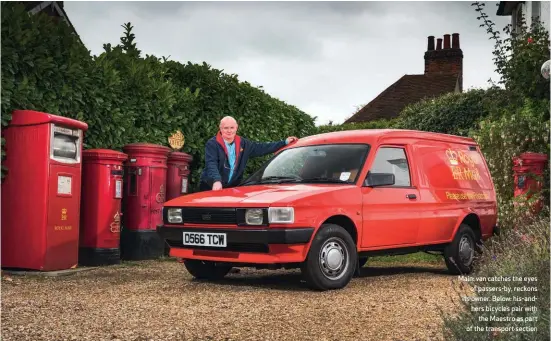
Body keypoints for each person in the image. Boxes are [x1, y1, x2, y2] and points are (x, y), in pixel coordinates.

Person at [199, 116, 298, 191]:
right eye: (226, 128)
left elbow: (261, 148)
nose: (229, 131)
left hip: (230, 187)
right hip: (210, 186)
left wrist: (284, 143)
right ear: (220, 128)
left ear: (236, 128)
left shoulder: (244, 143)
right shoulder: (212, 143)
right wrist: (216, 181)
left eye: (232, 128)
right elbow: (211, 163)